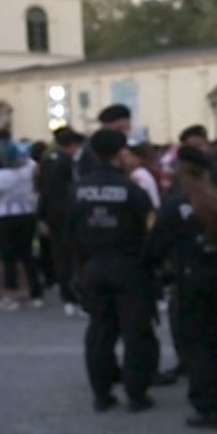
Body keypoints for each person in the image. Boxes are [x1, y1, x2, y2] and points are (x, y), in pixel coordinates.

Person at [147, 143, 217, 428]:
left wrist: (149, 270)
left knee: (195, 345)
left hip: (189, 281)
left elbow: (157, 244)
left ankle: (207, 404)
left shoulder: (177, 204)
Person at [70, 128, 157, 412]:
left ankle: (101, 392)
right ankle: (137, 393)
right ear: (120, 153)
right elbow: (149, 228)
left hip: (93, 265)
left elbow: (67, 230)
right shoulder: (132, 189)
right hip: (129, 265)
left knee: (100, 331)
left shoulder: (78, 188)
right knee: (136, 332)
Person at [0, 144, 43, 309]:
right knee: (27, 255)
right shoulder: (28, 171)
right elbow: (35, 166)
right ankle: (35, 293)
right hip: (26, 214)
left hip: (4, 216)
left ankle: (9, 294)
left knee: (7, 256)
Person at [36, 128, 84, 315]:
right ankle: (76, 294)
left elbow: (44, 190)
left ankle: (67, 296)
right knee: (74, 255)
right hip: (69, 214)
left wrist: (41, 216)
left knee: (60, 255)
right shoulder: (70, 163)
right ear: (72, 145)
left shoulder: (47, 161)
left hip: (53, 214)